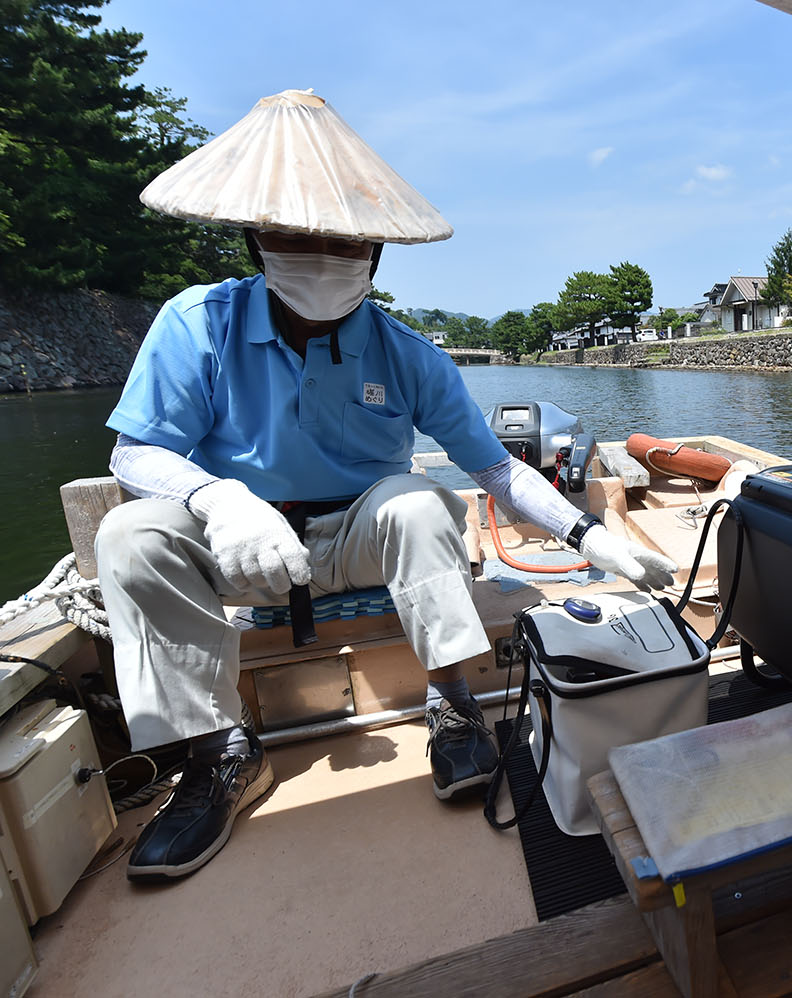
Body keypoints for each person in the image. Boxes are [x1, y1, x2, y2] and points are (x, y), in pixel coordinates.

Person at [94, 90, 677, 882]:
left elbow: (495, 470)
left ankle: (449, 700)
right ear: (256, 240)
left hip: (362, 537)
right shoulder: (199, 322)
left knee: (418, 499)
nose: (323, 253)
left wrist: (593, 539)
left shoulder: (407, 353)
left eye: (345, 240)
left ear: (374, 252)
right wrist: (218, 499)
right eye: (298, 236)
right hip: (244, 546)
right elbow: (136, 454)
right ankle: (219, 750)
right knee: (128, 535)